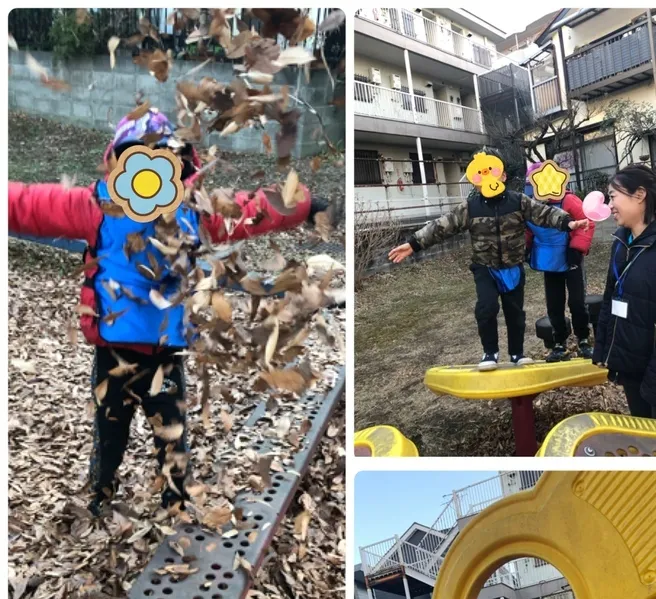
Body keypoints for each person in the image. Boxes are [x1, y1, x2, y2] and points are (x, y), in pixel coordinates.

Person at [8, 108, 327, 516]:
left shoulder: (195, 211)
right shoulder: (95, 206)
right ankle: (99, 497)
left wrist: (304, 205)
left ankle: (174, 505)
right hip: (114, 358)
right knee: (109, 437)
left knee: (173, 440)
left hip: (165, 355)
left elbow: (250, 210)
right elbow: (31, 204)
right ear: (121, 164)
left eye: (166, 162)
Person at [387, 148, 589, 372]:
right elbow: (443, 226)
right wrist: (414, 244)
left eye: (493, 173)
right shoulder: (470, 207)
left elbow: (544, 213)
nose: (488, 179)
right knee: (486, 307)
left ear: (503, 176)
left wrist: (568, 223)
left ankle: (516, 353)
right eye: (481, 176)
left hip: (512, 266)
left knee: (515, 313)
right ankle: (490, 352)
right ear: (475, 181)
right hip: (485, 267)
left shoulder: (518, 201)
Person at [593, 163, 656, 421]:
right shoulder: (622, 244)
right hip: (634, 373)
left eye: (613, 197)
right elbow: (610, 299)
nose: (609, 205)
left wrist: (655, 385)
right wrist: (603, 350)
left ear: (640, 195)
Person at [524, 162, 596, 362]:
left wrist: (577, 248)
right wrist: (526, 247)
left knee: (577, 301)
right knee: (554, 303)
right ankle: (559, 342)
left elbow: (586, 222)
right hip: (549, 261)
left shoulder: (569, 200)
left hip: (571, 257)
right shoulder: (532, 205)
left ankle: (583, 339)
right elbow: (529, 230)